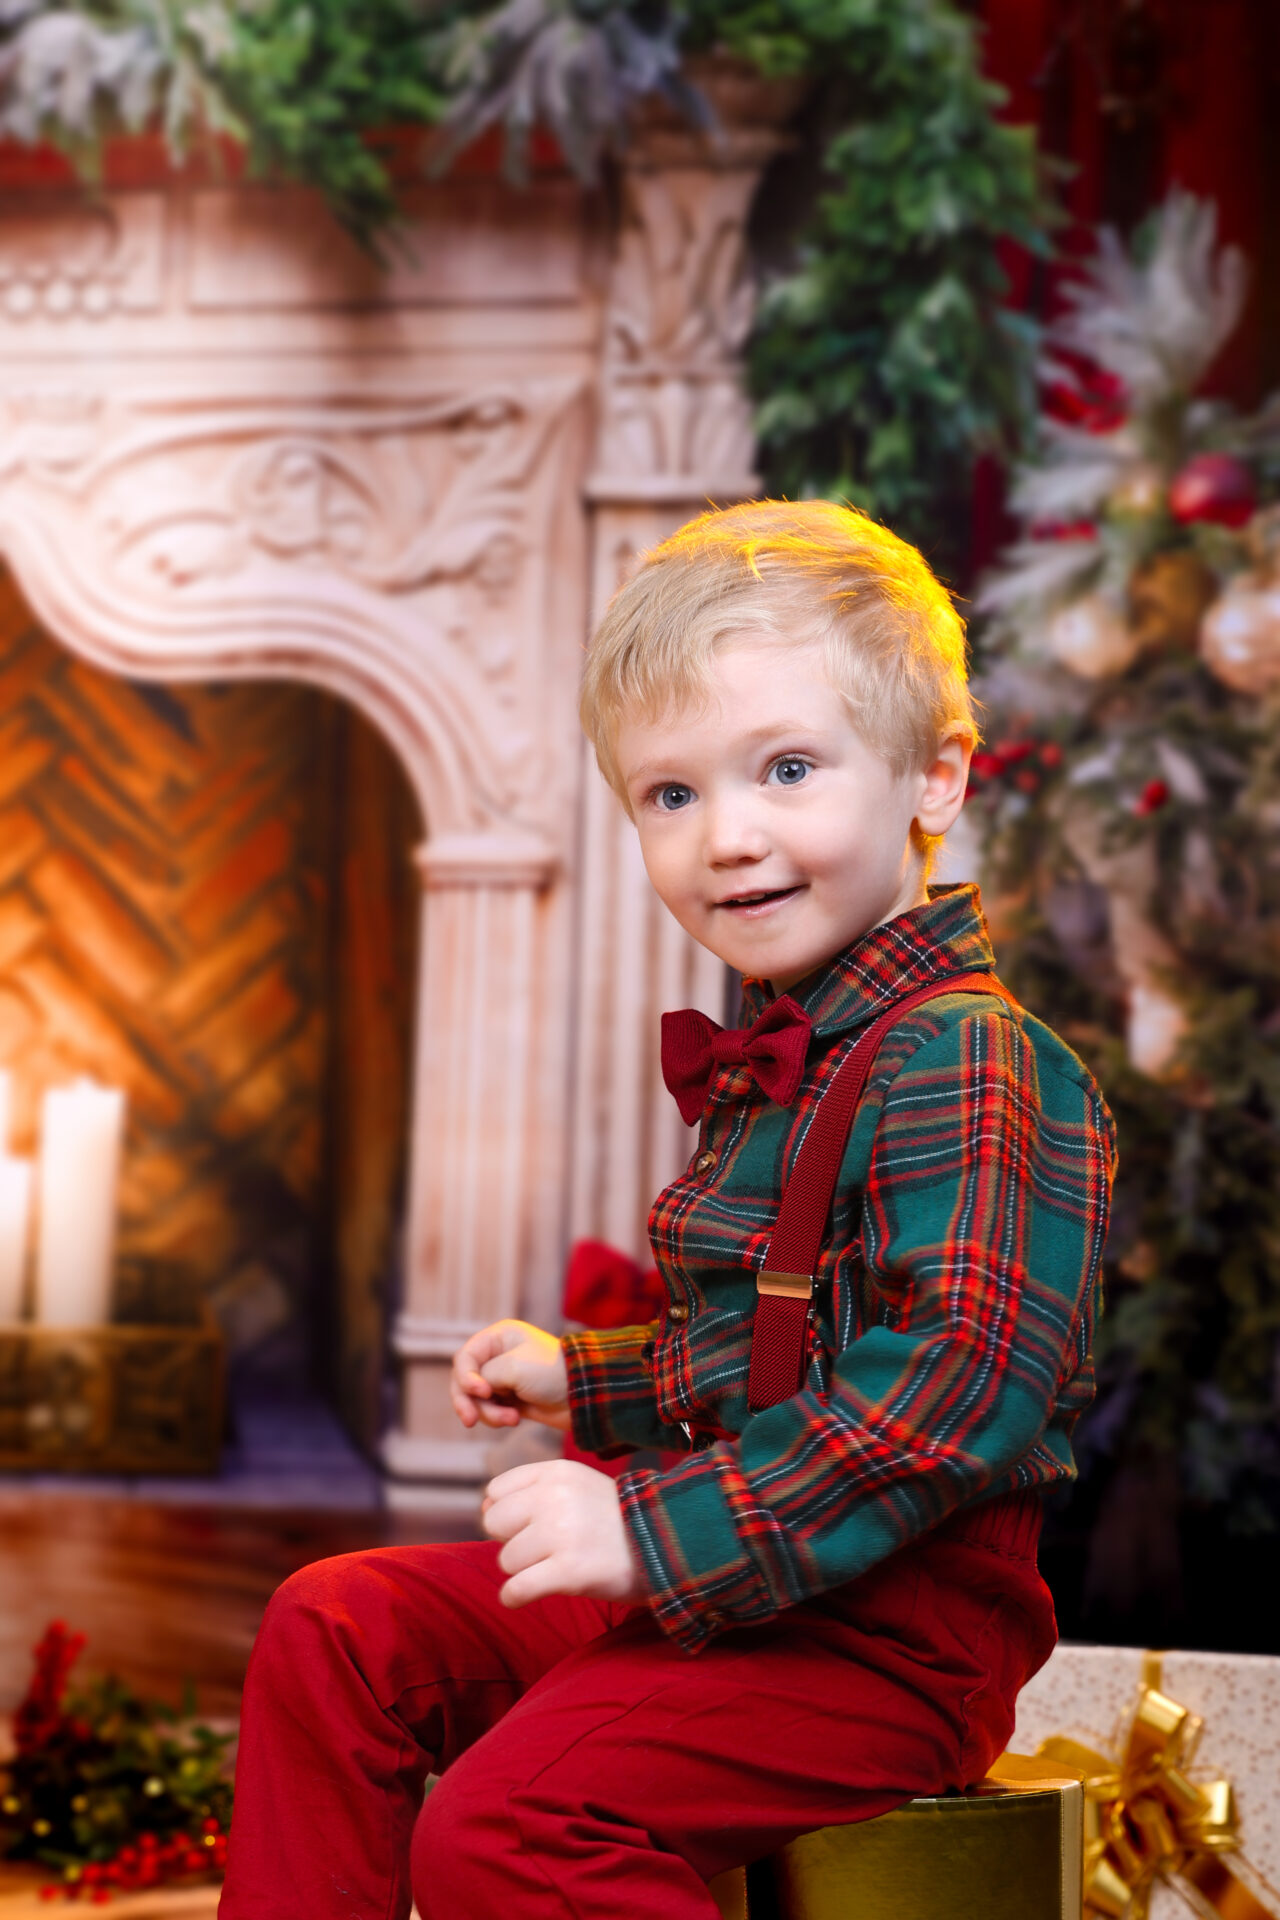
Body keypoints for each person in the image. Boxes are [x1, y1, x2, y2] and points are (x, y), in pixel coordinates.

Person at [219, 500, 1116, 1920]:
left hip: (884, 1643)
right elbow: (778, 1356)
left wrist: (649, 1532)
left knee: (514, 1829)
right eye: (672, 795)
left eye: (789, 769)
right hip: (749, 1587)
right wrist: (576, 1372)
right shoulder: (786, 1053)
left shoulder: (971, 1054)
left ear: (936, 778)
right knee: (340, 1627)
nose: (729, 837)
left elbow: (954, 1388)